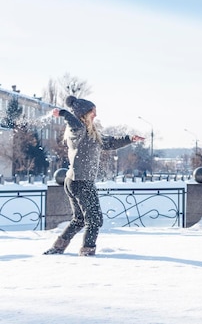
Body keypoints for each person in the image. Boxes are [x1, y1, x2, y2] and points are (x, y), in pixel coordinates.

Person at [44, 95, 144, 256]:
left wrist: (129, 139)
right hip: (81, 182)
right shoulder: (78, 130)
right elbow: (74, 122)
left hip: (76, 181)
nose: (95, 115)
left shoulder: (91, 133)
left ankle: (57, 247)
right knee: (95, 220)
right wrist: (64, 113)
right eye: (93, 112)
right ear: (83, 113)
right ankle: (87, 251)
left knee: (79, 220)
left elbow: (109, 142)